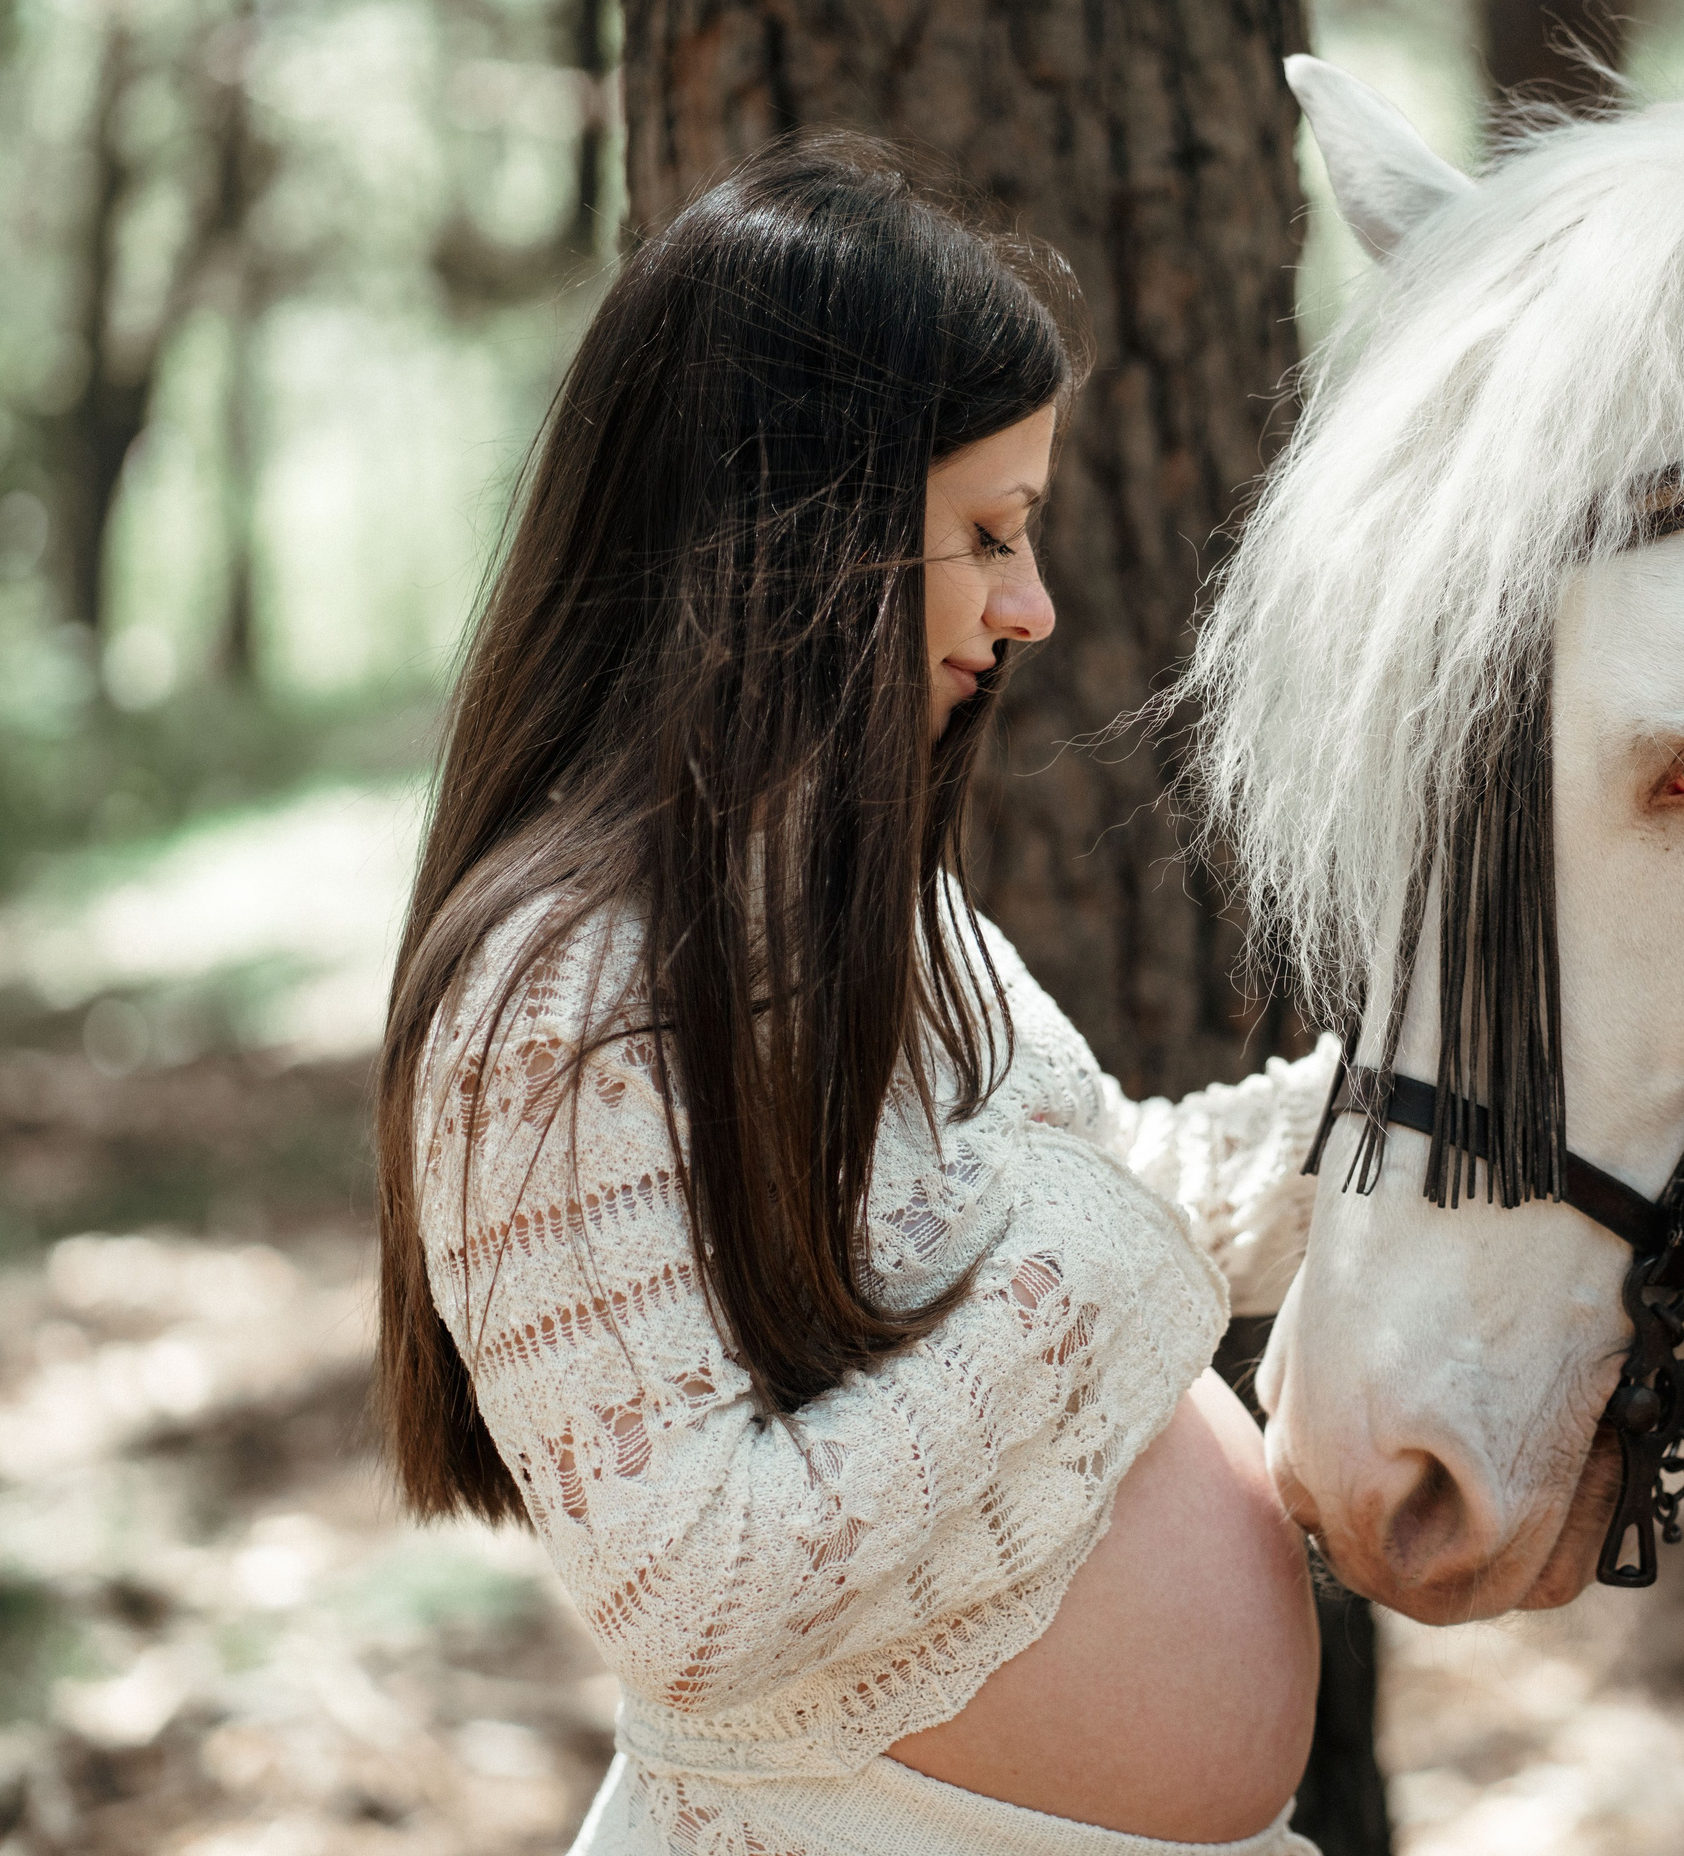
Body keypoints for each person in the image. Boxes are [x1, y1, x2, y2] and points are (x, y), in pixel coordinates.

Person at [371, 131, 1337, 1856]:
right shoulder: (554, 1002)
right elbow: (697, 1590)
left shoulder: (885, 914)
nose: (1033, 607)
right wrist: (1108, 1272)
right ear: (793, 534)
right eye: (988, 534)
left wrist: (1399, 1114)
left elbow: (1108, 1200)